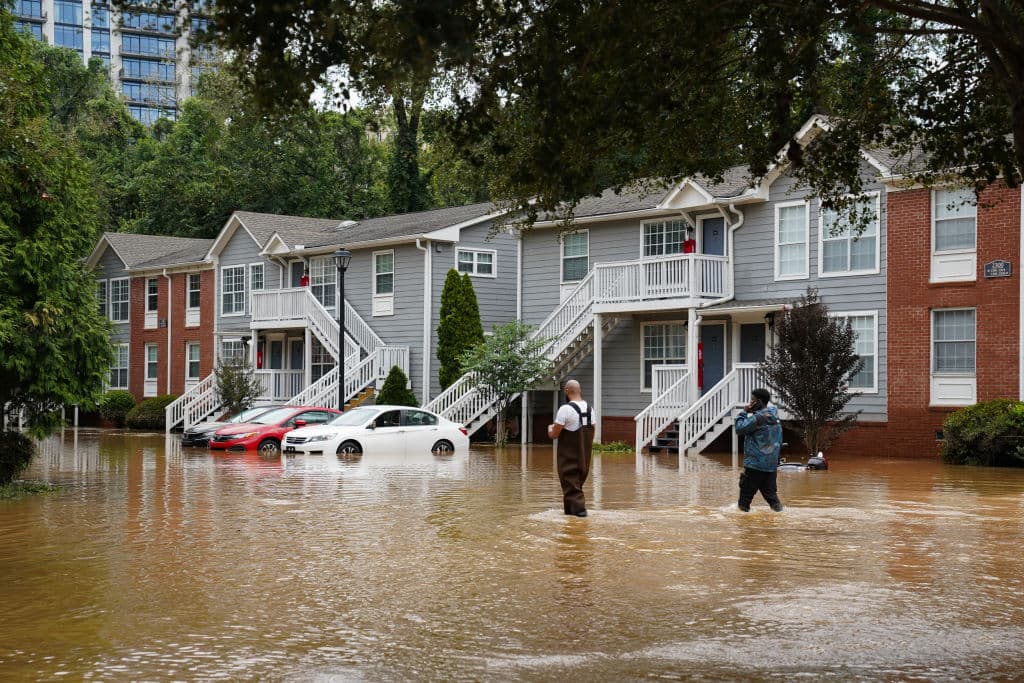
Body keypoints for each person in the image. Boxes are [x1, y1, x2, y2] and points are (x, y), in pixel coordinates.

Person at [548, 379, 595, 517]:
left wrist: (549, 428)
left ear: (567, 391)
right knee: (574, 486)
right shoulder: (590, 409)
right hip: (585, 457)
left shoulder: (565, 409)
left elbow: (554, 434)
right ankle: (570, 518)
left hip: (569, 458)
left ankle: (580, 516)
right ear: (579, 390)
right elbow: (593, 431)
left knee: (572, 487)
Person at [734, 387, 784, 512]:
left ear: (760, 402)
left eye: (752, 400)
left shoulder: (758, 418)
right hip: (771, 466)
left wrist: (743, 412)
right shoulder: (774, 414)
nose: (750, 402)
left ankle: (744, 530)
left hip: (755, 466)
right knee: (773, 500)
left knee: (744, 502)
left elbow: (739, 429)